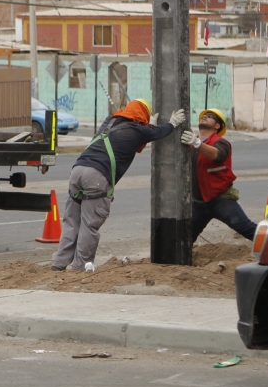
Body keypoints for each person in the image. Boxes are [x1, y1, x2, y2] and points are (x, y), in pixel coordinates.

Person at [51, 100, 186, 271]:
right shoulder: (139, 130)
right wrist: (172, 124)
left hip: (77, 171)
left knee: (72, 220)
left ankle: (59, 262)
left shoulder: (110, 121)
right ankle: (80, 267)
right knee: (89, 224)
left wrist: (147, 126)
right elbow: (158, 132)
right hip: (97, 176)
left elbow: (134, 141)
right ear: (143, 117)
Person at [181, 109, 256, 242]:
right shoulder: (192, 143)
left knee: (247, 228)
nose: (204, 117)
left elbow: (217, 155)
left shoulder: (221, 142)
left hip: (220, 200)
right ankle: (181, 262)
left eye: (210, 116)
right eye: (203, 116)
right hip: (198, 203)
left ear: (217, 125)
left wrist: (198, 144)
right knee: (185, 237)